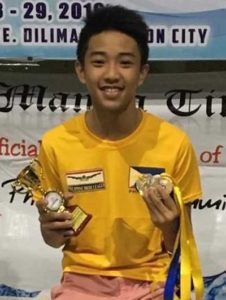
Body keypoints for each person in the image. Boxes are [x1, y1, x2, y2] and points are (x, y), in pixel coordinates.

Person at [36, 5, 202, 300]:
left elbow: (183, 244)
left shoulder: (174, 144)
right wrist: (50, 230)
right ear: (81, 70)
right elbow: (53, 240)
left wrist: (170, 226)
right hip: (81, 283)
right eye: (99, 62)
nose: (112, 74)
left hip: (153, 282)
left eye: (125, 63)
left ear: (142, 73)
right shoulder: (55, 144)